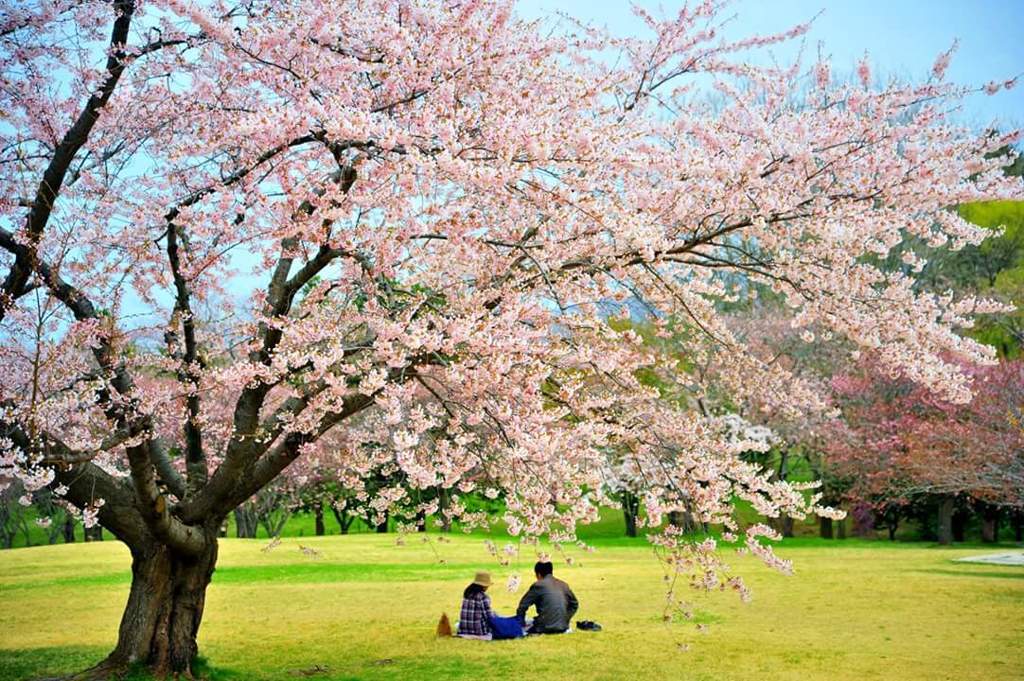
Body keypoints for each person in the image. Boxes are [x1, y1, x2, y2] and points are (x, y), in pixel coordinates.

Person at [516, 560, 579, 634]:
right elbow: (574, 604)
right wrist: (565, 618)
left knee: (527, 624)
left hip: (543, 627)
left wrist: (521, 622)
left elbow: (523, 606)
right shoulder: (563, 585)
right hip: (563, 626)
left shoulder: (538, 585)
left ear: (538, 574)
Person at [457, 571, 496, 639]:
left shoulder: (467, 594)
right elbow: (489, 617)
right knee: (495, 615)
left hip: (463, 630)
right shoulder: (483, 597)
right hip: (479, 632)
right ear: (484, 586)